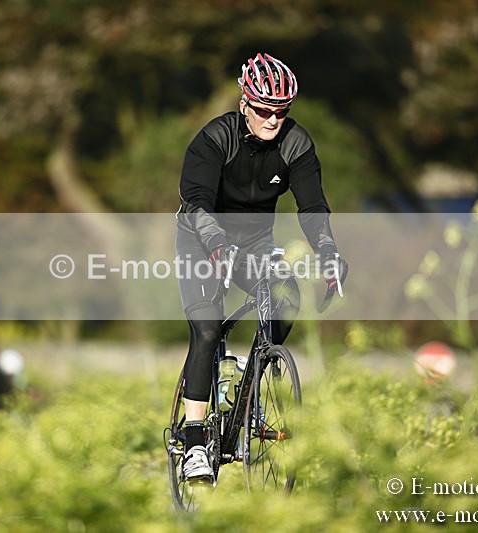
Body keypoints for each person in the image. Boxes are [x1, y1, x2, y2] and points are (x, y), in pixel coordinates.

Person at [175, 52, 348, 482]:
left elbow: (313, 208)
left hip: (254, 244)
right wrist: (215, 244)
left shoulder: (296, 144)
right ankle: (195, 439)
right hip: (201, 239)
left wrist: (328, 252)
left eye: (282, 112)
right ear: (244, 105)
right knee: (209, 329)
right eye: (265, 110)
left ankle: (250, 385)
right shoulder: (216, 137)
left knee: (286, 295)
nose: (273, 119)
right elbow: (195, 200)